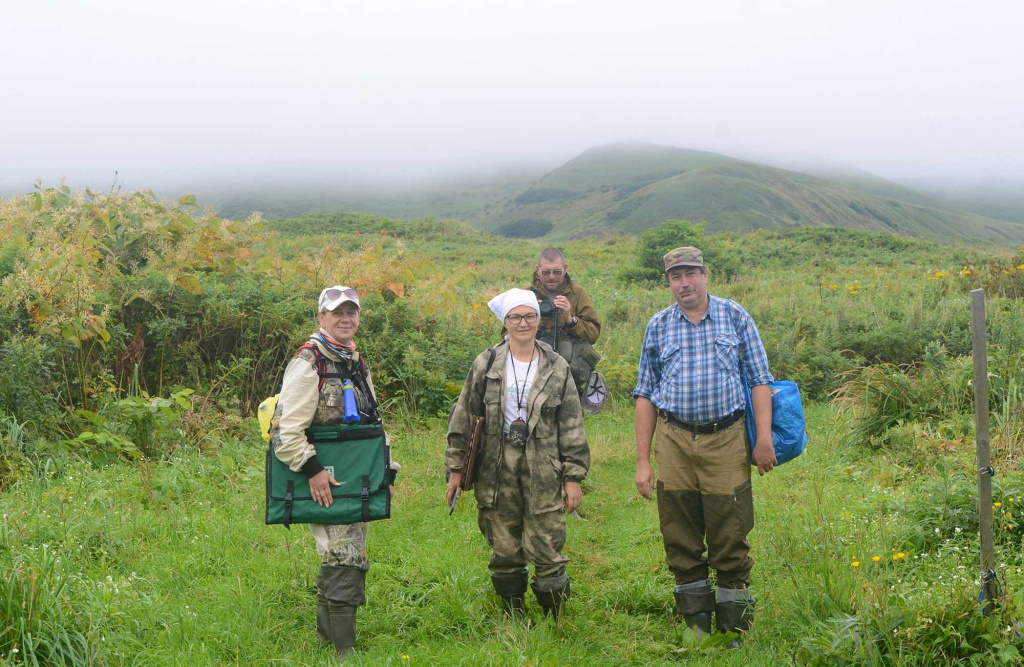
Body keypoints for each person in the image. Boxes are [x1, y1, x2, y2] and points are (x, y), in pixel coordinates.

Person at [632, 247, 776, 647]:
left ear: (706, 274)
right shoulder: (658, 326)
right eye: (676, 276)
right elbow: (645, 393)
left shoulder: (735, 316)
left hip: (727, 437)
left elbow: (760, 379)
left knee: (730, 528)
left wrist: (762, 439)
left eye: (691, 273)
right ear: (668, 283)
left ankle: (734, 627)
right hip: (674, 438)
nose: (685, 283)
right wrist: (643, 460)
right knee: (679, 528)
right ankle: (696, 622)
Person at [446, 288, 591, 619]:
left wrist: (573, 477)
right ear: (505, 322)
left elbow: (571, 424)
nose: (523, 323)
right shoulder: (487, 363)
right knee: (503, 543)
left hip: (545, 468)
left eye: (529, 316)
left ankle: (555, 616)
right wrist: (456, 470)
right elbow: (464, 417)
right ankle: (513, 612)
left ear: (538, 321)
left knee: (547, 542)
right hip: (496, 469)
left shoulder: (557, 366)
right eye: (515, 317)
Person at [269, 285, 398, 656]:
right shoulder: (309, 363)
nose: (345, 319)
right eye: (337, 312)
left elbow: (374, 422)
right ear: (321, 317)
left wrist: (385, 473)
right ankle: (345, 650)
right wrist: (313, 472)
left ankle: (329, 634)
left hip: (357, 475)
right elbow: (286, 431)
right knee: (344, 551)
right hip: (324, 477)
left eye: (351, 312)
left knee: (344, 548)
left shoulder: (353, 360)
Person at [520, 248, 602, 398]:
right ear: (537, 270)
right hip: (531, 377)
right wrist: (531, 320)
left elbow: (594, 334)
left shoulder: (577, 294)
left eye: (557, 272)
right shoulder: (525, 295)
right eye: (546, 272)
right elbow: (507, 335)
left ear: (565, 269)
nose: (552, 277)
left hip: (569, 378)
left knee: (571, 420)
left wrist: (571, 320)